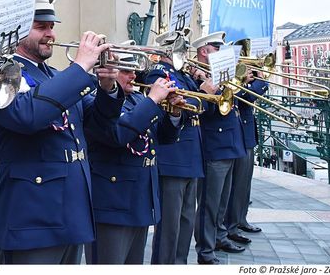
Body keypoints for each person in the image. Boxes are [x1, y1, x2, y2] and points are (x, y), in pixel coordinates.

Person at [0, 0, 125, 264]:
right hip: (33, 216)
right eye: (40, 26)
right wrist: (80, 69)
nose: (51, 34)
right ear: (18, 29)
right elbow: (27, 116)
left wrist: (107, 88)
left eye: (52, 26)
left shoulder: (58, 76)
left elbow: (97, 127)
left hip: (72, 212)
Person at [84, 54, 184, 264]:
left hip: (140, 199)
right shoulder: (96, 100)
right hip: (113, 203)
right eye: (126, 71)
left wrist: (174, 113)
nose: (134, 75)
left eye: (134, 70)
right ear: (110, 72)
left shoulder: (138, 99)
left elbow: (164, 138)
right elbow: (118, 135)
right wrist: (153, 100)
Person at [189, 32, 247, 264]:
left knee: (222, 201)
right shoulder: (195, 78)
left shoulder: (218, 73)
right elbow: (203, 111)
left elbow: (238, 100)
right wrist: (210, 88)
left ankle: (220, 236)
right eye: (217, 48)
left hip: (229, 143)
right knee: (208, 204)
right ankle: (205, 250)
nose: (221, 53)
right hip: (213, 144)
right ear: (204, 50)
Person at [148, 31, 205, 265]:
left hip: (190, 156)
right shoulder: (159, 72)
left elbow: (199, 101)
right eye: (180, 49)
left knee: (185, 223)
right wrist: (204, 92)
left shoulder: (184, 75)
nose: (184, 53)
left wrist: (200, 80)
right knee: (169, 229)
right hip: (173, 156)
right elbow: (184, 100)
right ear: (167, 50)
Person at [222, 67, 268, 247]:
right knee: (237, 184)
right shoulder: (231, 74)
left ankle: (240, 219)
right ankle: (231, 226)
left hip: (246, 132)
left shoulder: (239, 74)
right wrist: (260, 81)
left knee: (244, 184)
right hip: (238, 134)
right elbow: (246, 97)